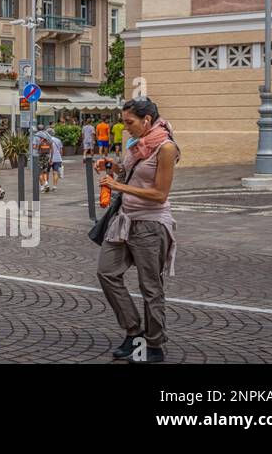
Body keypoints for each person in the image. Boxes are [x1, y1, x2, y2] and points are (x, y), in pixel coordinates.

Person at [96, 97, 180, 364]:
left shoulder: (165, 148)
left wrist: (118, 187)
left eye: (129, 122)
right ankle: (134, 331)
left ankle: (154, 345)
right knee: (107, 272)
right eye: (123, 122)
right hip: (125, 219)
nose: (125, 127)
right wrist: (113, 166)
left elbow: (159, 193)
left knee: (150, 287)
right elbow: (132, 173)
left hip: (151, 224)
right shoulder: (137, 146)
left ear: (146, 120)